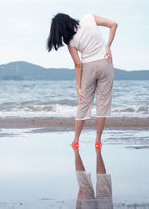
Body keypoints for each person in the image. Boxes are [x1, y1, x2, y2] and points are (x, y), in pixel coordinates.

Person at [47, 13, 117, 149]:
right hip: (105, 63)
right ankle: (98, 141)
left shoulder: (70, 41)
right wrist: (108, 46)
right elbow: (113, 24)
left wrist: (78, 87)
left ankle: (76, 140)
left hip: (88, 67)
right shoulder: (88, 18)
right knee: (103, 103)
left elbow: (78, 65)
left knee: (83, 104)